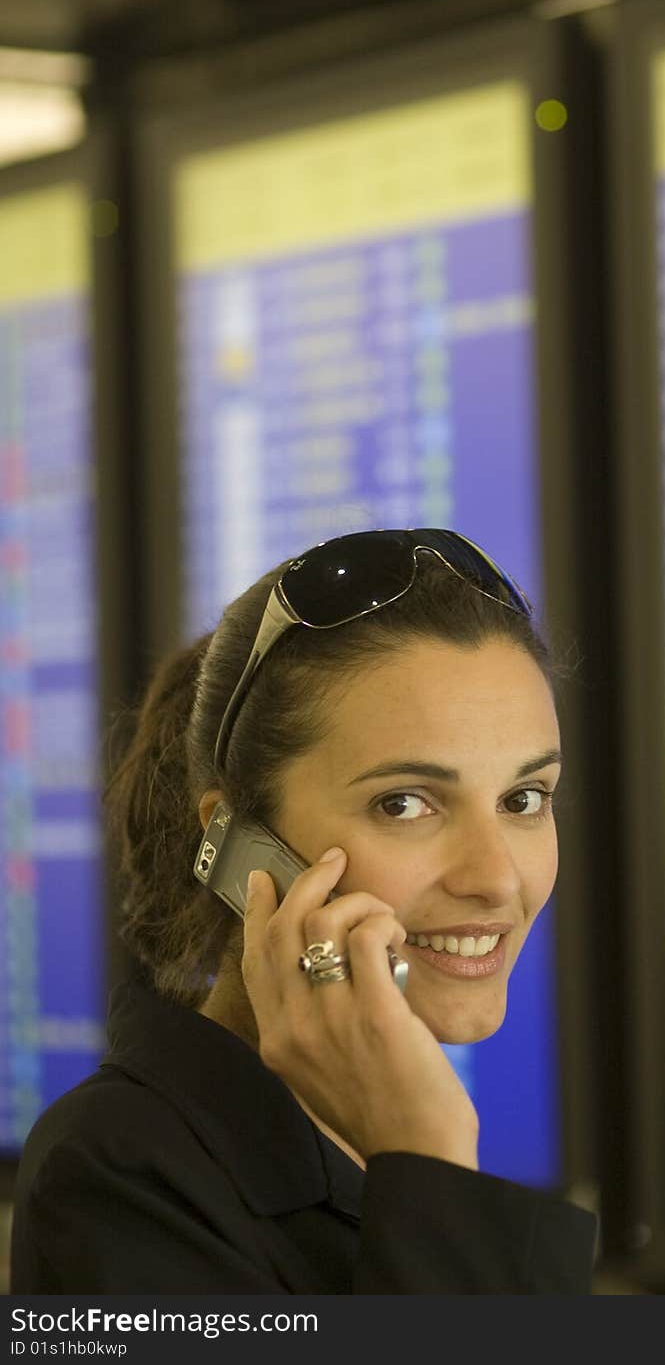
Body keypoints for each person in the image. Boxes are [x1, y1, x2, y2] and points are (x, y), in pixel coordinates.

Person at [10, 528, 598, 1293]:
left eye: (524, 799)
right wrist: (428, 1155)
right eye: (406, 803)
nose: (496, 879)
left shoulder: (370, 1148)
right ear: (237, 843)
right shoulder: (112, 1185)